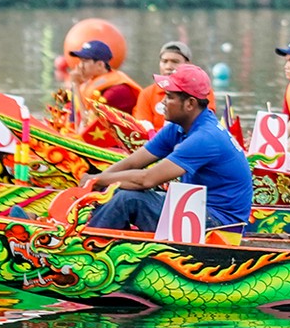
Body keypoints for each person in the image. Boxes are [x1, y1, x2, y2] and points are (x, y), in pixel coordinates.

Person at [82, 64, 254, 233]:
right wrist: (98, 181)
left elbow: (146, 179)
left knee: (129, 199)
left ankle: (86, 247)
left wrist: (96, 180)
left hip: (221, 224)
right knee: (120, 189)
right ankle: (97, 233)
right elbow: (133, 162)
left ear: (190, 104)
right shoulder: (179, 126)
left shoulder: (205, 137)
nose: (163, 102)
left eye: (170, 97)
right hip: (195, 207)